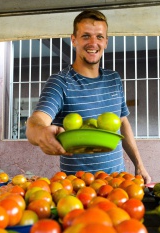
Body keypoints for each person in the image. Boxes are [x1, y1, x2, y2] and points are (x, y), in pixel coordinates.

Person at [26, 9, 151, 184]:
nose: (93, 43)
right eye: (86, 36)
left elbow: (123, 123)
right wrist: (40, 133)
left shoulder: (113, 79)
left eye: (99, 37)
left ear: (106, 42)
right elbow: (35, 122)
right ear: (74, 40)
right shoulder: (60, 82)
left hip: (117, 183)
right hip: (77, 187)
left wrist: (139, 164)